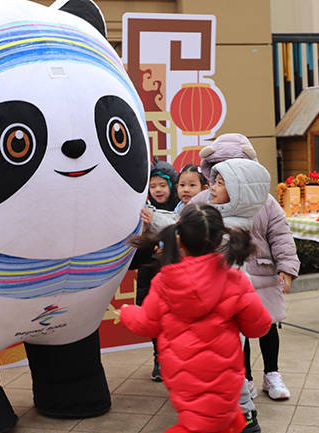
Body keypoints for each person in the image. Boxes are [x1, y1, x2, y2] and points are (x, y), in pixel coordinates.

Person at [117, 204, 272, 433]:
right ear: (221, 238)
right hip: (225, 375)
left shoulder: (164, 283)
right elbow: (260, 326)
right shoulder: (235, 280)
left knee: (198, 423)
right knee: (219, 420)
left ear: (179, 241)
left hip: (183, 379)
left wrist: (127, 312)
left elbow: (146, 324)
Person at [196, 133, 300, 403]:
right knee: (234, 331)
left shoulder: (265, 202)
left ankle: (272, 373)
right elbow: (184, 230)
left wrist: (286, 267)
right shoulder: (206, 201)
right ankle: (245, 377)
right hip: (224, 279)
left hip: (263, 275)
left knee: (266, 325)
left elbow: (281, 234)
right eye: (220, 171)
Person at [131, 158, 179, 382]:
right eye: (153, 185)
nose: (158, 190)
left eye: (162, 185)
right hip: (151, 275)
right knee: (155, 319)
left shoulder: (182, 210)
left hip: (176, 277)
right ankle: (159, 357)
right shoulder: (143, 211)